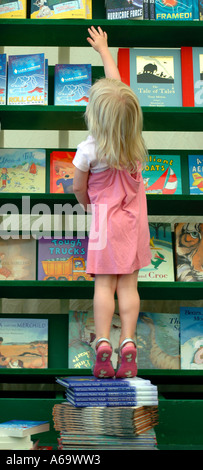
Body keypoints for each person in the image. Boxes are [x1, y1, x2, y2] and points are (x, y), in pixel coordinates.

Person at [73, 26, 151, 379]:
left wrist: (89, 204)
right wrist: (105, 52)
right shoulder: (134, 142)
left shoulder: (89, 148)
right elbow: (119, 92)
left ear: (96, 116)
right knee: (129, 286)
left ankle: (104, 341)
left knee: (104, 285)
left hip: (105, 221)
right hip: (134, 223)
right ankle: (129, 342)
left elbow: (78, 187)